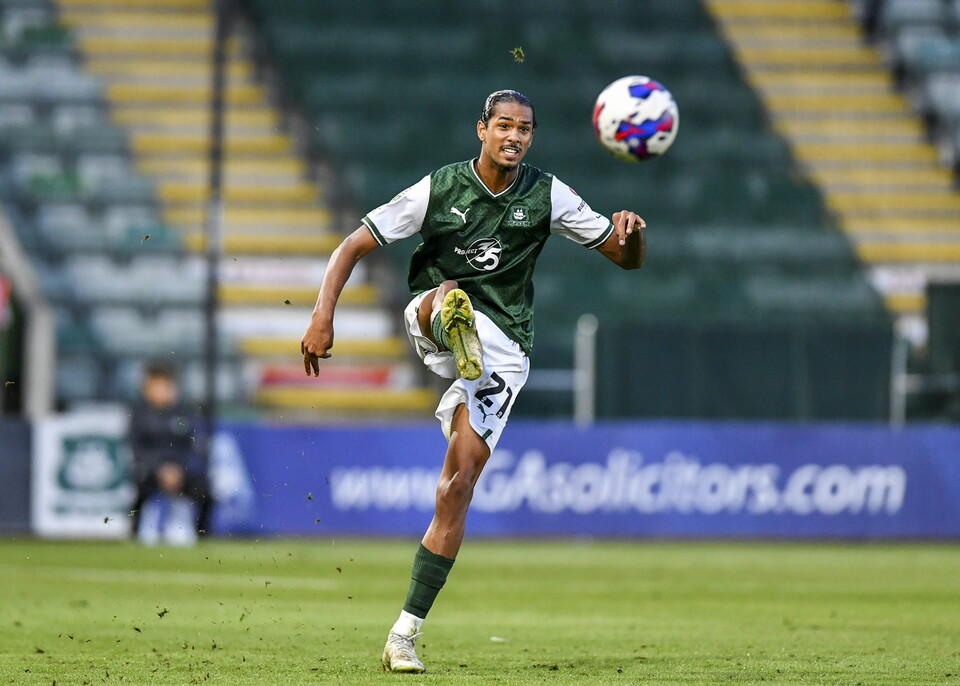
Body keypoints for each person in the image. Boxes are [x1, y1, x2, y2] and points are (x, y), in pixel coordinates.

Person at [300, 89, 646, 673]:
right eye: (504, 125)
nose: (515, 136)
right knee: (447, 297)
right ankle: (454, 328)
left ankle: (403, 635)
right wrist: (321, 314)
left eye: (526, 129)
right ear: (481, 130)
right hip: (434, 316)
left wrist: (632, 232)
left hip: (505, 351)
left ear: (532, 137)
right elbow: (353, 243)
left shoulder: (547, 194)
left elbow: (627, 258)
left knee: (455, 488)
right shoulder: (441, 188)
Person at [128, 362, 212, 540]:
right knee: (139, 492)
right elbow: (137, 448)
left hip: (180, 472)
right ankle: (135, 535)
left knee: (205, 492)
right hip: (151, 472)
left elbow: (193, 447)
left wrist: (178, 469)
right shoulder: (140, 415)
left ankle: (202, 536)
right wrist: (159, 469)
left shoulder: (184, 413)